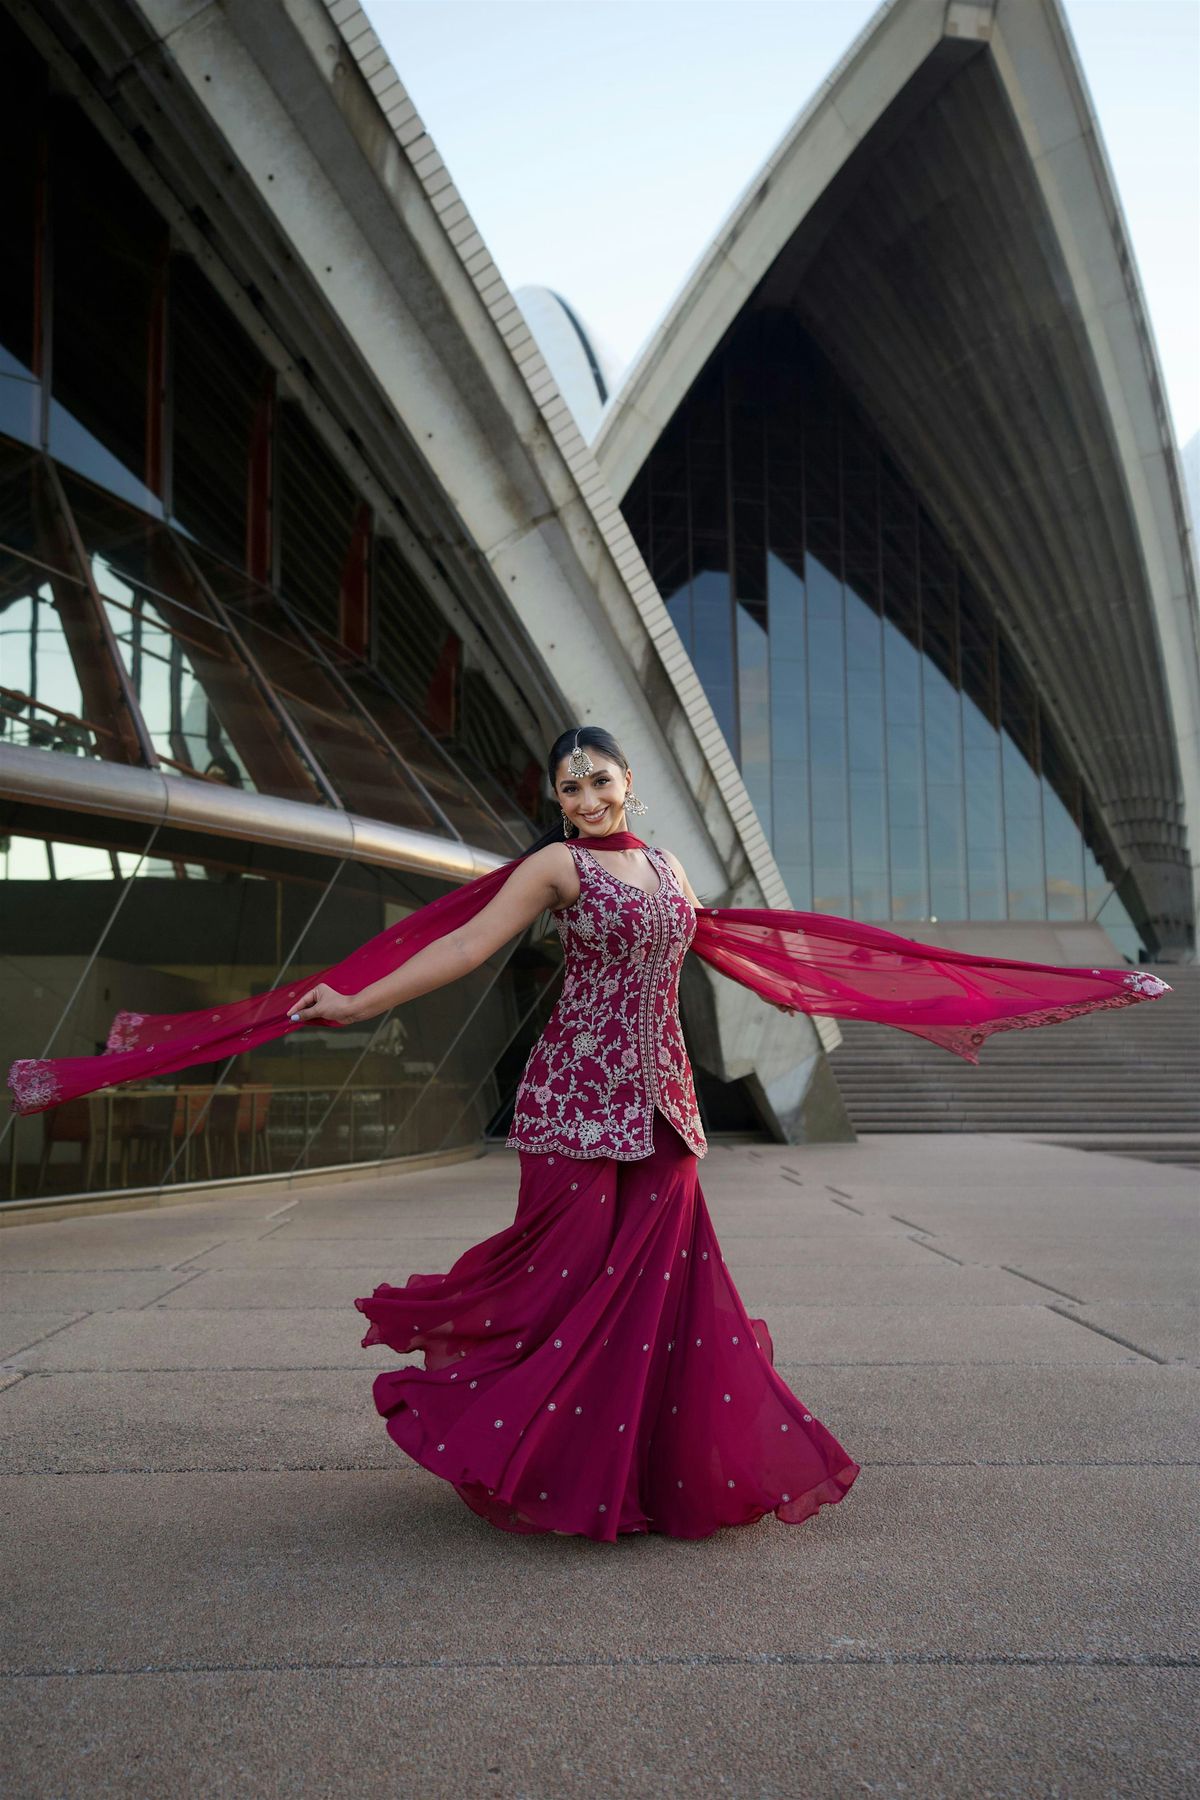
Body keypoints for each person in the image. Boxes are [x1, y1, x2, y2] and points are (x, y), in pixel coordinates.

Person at [289, 725, 862, 1542]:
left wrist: (843, 987)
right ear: (558, 802)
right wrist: (358, 1000)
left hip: (664, 1106)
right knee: (562, 1283)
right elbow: (465, 944)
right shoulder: (559, 867)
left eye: (599, 781)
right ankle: (530, 1456)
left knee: (662, 1296)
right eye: (570, 789)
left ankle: (644, 1480)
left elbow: (718, 946)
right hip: (573, 1104)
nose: (588, 800)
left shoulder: (670, 869)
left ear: (629, 779)